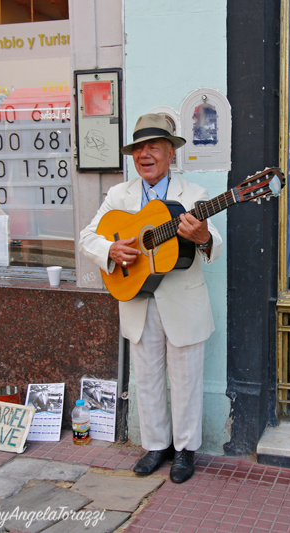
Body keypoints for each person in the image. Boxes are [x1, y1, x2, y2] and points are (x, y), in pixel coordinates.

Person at [78, 113, 222, 483]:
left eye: (153, 147)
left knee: (186, 378)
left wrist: (202, 237)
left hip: (182, 303)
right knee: (147, 378)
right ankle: (156, 446)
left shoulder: (193, 196)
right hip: (138, 299)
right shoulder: (118, 195)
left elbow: (214, 244)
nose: (145, 154)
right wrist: (111, 249)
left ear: (169, 154)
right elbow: (88, 237)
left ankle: (185, 450)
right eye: (139, 148)